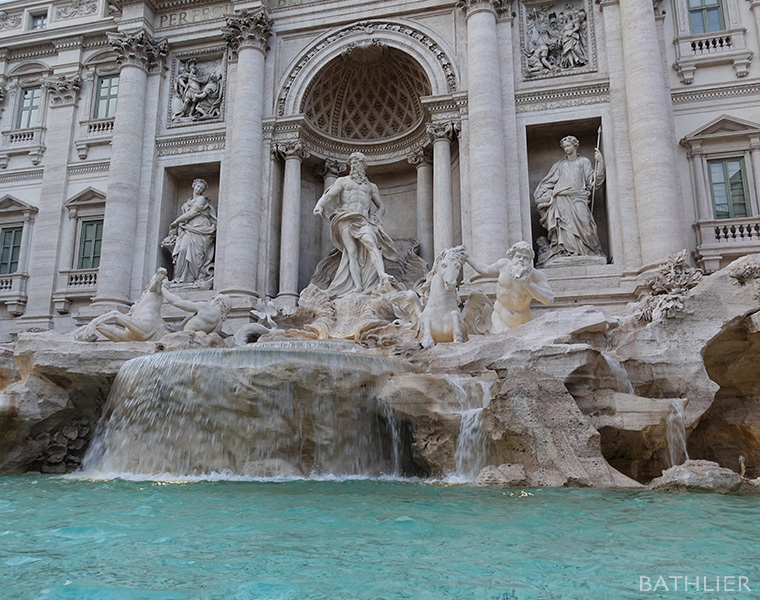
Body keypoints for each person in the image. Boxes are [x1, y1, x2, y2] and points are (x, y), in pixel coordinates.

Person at [313, 152, 398, 297]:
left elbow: (381, 206)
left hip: (363, 220)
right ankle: (358, 286)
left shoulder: (371, 187)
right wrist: (319, 205)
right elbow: (328, 195)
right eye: (352, 164)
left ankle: (382, 275)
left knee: (371, 242)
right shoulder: (342, 181)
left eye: (357, 163)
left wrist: (377, 216)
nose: (354, 166)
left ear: (363, 166)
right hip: (345, 218)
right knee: (351, 252)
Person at [534, 135, 604, 263]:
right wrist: (543, 194)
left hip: (579, 197)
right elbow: (547, 182)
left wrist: (600, 163)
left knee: (585, 222)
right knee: (565, 226)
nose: (566, 148)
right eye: (564, 147)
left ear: (575, 145)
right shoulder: (559, 165)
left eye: (568, 146)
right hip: (561, 198)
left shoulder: (584, 161)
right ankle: (567, 251)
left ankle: (587, 250)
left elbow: (593, 182)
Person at [464, 242, 554, 332]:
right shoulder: (503, 265)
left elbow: (549, 299)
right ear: (512, 257)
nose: (521, 260)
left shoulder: (536, 275)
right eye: (518, 256)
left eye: (525, 258)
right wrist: (467, 257)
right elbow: (485, 270)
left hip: (523, 320)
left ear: (530, 261)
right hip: (500, 317)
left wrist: (528, 284)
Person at [162, 178, 217, 285]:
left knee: (196, 253)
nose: (199, 189)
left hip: (200, 227)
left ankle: (191, 278)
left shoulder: (201, 199)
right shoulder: (187, 201)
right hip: (188, 228)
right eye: (197, 186)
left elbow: (192, 213)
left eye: (201, 188)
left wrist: (176, 221)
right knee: (182, 249)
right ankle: (179, 278)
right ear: (193, 186)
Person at [161, 285, 229, 335]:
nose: (211, 300)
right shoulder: (219, 324)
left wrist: (163, 289)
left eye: (214, 299)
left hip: (186, 337)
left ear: (219, 301)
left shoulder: (207, 308)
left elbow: (177, 302)